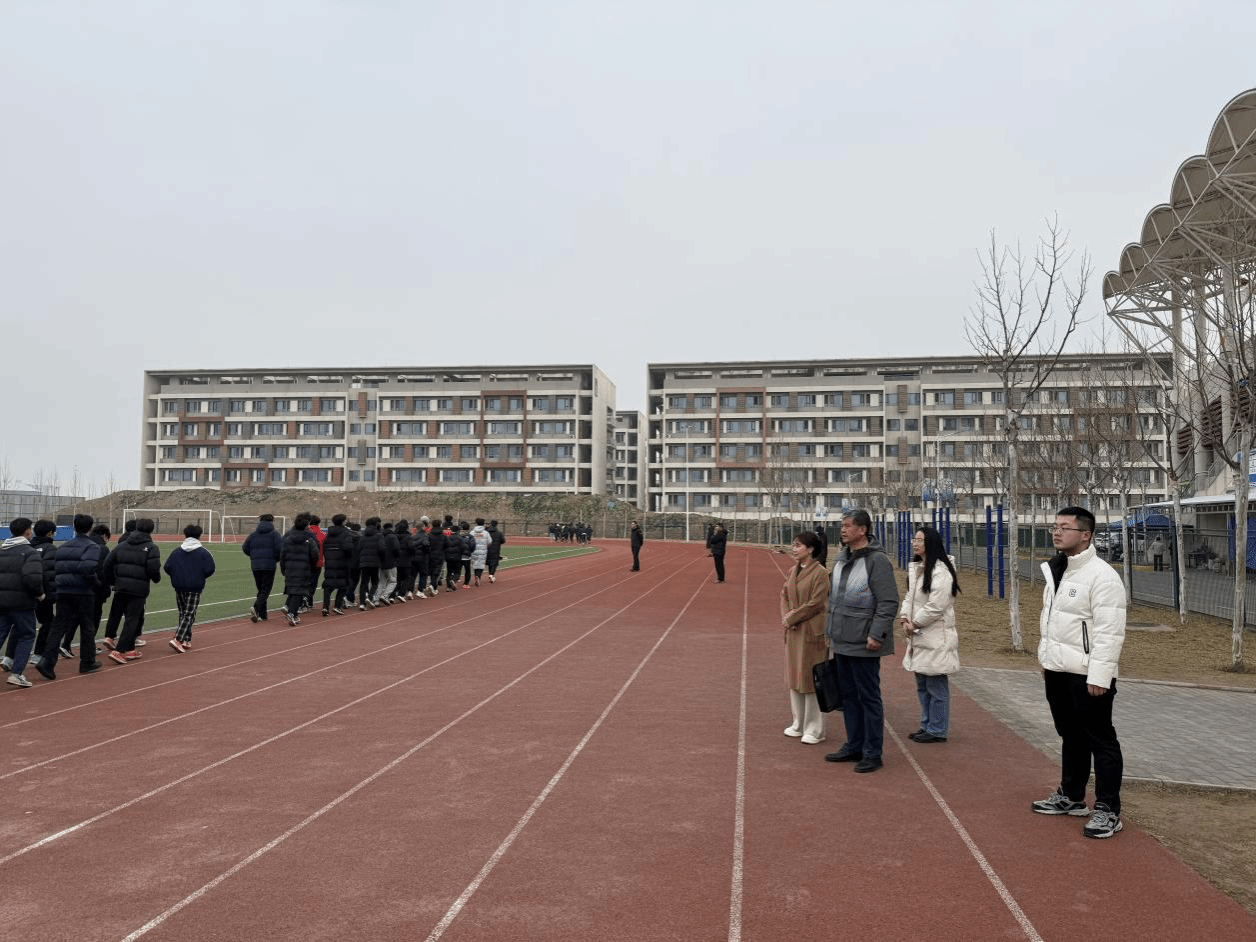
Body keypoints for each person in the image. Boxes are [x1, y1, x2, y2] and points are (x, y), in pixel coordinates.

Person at [1032, 506, 1128, 840]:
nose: (1057, 532)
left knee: (1101, 741)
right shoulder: (1057, 569)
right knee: (1070, 735)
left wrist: (1100, 676)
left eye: (1065, 527)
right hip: (1058, 670)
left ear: (1085, 535)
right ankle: (1072, 796)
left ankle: (1108, 810)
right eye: (1055, 526)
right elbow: (1050, 622)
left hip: (1088, 675)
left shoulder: (1102, 576)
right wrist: (1046, 659)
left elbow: (1109, 632)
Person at [823, 509, 898, 773]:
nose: (842, 530)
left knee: (868, 698)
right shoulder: (841, 557)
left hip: (864, 642)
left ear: (862, 529)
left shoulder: (877, 561)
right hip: (841, 639)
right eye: (841, 525)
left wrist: (876, 634)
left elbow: (888, 602)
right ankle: (854, 745)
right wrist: (829, 630)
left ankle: (872, 752)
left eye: (847, 526)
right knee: (848, 697)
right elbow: (833, 598)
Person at [899, 526, 961, 744]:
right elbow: (909, 597)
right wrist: (904, 617)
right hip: (918, 635)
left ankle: (937, 729)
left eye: (920, 540)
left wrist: (915, 622)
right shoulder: (918, 568)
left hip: (934, 636)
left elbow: (936, 606)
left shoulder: (941, 572)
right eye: (914, 540)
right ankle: (926, 724)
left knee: (935, 685)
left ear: (931, 543)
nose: (915, 544)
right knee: (922, 684)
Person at [780, 531, 830, 745]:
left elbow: (816, 603)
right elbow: (784, 595)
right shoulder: (792, 571)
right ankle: (798, 723)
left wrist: (792, 617)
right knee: (795, 678)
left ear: (810, 549)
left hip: (811, 631)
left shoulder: (820, 573)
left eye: (798, 545)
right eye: (793, 545)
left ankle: (815, 729)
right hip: (794, 630)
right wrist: (787, 617)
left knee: (810, 680)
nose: (794, 549)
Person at [40, 513, 104, 678]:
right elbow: (88, 569)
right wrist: (97, 583)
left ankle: (47, 661)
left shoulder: (63, 547)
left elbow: (57, 569)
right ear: (90, 528)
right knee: (87, 626)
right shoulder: (92, 547)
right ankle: (87, 661)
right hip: (82, 591)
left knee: (58, 626)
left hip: (63, 590)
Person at [102, 518, 161, 664]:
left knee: (117, 613)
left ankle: (128, 649)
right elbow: (153, 568)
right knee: (132, 619)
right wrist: (156, 578)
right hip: (138, 589)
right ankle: (119, 650)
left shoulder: (122, 545)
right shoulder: (151, 547)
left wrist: (114, 581)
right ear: (151, 530)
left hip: (121, 587)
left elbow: (107, 564)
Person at [0, 518, 47, 688]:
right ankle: (17, 673)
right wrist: (40, 594)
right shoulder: (30, 552)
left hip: (2, 601)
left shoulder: (2, 550)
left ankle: (15, 669)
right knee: (26, 635)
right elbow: (32, 578)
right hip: (22, 602)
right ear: (27, 531)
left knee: (1, 632)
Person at [163, 524, 217, 652]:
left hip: (179, 586)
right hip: (195, 586)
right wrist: (199, 576)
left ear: (185, 535)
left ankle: (186, 639)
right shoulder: (203, 552)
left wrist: (177, 576)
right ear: (199, 535)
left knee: (183, 613)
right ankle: (178, 639)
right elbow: (210, 569)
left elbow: (167, 567)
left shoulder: (176, 552)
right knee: (189, 613)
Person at [243, 514, 283, 623]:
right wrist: (275, 559)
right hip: (269, 565)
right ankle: (256, 607)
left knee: (261, 589)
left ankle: (262, 615)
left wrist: (254, 556)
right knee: (266, 589)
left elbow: (245, 548)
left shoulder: (253, 535)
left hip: (256, 566)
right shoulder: (275, 534)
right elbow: (280, 549)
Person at [279, 516, 319, 625]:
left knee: (292, 590)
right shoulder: (309, 540)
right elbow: (315, 555)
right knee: (299, 592)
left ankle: (292, 612)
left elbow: (282, 556)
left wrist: (283, 569)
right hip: (303, 569)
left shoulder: (287, 539)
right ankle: (292, 613)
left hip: (290, 568)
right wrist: (312, 567)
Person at [320, 514, 354, 615]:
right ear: (343, 522)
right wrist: (349, 557)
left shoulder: (329, 534)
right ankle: (337, 606)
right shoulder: (346, 533)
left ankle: (325, 606)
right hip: (342, 561)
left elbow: (324, 547)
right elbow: (348, 548)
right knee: (343, 584)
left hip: (330, 561)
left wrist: (328, 556)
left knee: (328, 584)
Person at [470, 518, 491, 586]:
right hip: (483, 551)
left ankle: (476, 575)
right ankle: (478, 576)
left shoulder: (472, 532)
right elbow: (489, 541)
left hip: (474, 550)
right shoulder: (486, 533)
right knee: (481, 564)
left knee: (475, 564)